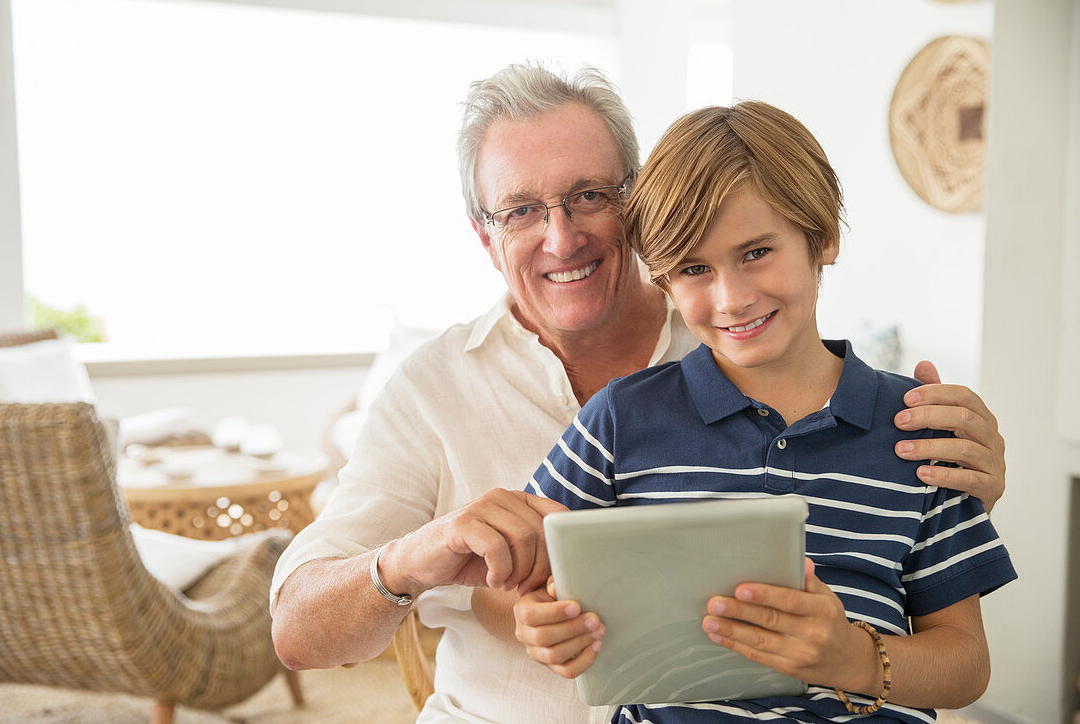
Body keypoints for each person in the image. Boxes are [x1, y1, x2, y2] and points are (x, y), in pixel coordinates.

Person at [269, 64, 1009, 724]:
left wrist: (971, 475)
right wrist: (422, 562)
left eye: (588, 195)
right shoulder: (465, 394)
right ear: (484, 235)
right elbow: (308, 629)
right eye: (520, 209)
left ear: (634, 207)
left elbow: (956, 646)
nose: (561, 238)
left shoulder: (812, 375)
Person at [514, 101, 1017, 724]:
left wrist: (851, 659)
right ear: (665, 281)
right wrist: (540, 626)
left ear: (823, 236)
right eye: (695, 268)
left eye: (756, 252)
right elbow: (530, 576)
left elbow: (966, 666)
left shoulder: (920, 429)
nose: (732, 297)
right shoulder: (621, 419)